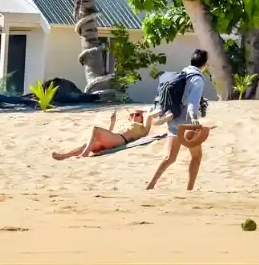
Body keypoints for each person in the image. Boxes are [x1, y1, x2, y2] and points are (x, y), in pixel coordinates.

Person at [147, 49, 211, 191]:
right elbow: (192, 103)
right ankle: (189, 189)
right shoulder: (197, 79)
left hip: (173, 119)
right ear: (205, 64)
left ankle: (150, 185)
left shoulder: (181, 74)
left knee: (169, 157)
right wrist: (194, 119)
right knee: (197, 156)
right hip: (187, 123)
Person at [52, 108, 158, 160]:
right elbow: (110, 134)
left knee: (96, 130)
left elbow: (150, 115)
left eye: (137, 115)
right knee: (87, 143)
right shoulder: (126, 125)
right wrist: (112, 123)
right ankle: (64, 156)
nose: (134, 116)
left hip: (121, 140)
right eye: (132, 114)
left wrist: (144, 112)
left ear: (141, 118)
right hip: (114, 139)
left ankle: (84, 154)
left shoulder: (142, 128)